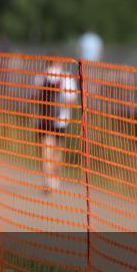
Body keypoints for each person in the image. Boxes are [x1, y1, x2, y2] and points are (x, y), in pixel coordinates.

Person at [35, 64, 78, 192]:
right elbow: (72, 99)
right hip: (62, 120)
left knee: (46, 150)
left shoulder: (41, 76)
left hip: (45, 118)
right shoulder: (66, 77)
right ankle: (54, 179)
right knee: (57, 150)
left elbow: (33, 96)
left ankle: (49, 180)